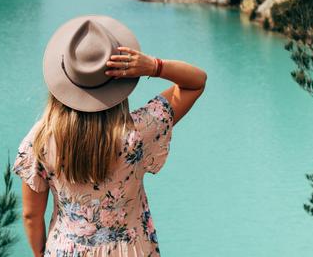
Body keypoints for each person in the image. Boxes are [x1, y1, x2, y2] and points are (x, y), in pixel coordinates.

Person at [13, 14, 207, 256]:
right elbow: (196, 82)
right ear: (119, 85)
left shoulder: (39, 140)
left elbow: (31, 215)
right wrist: (154, 66)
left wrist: (42, 253)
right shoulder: (139, 132)